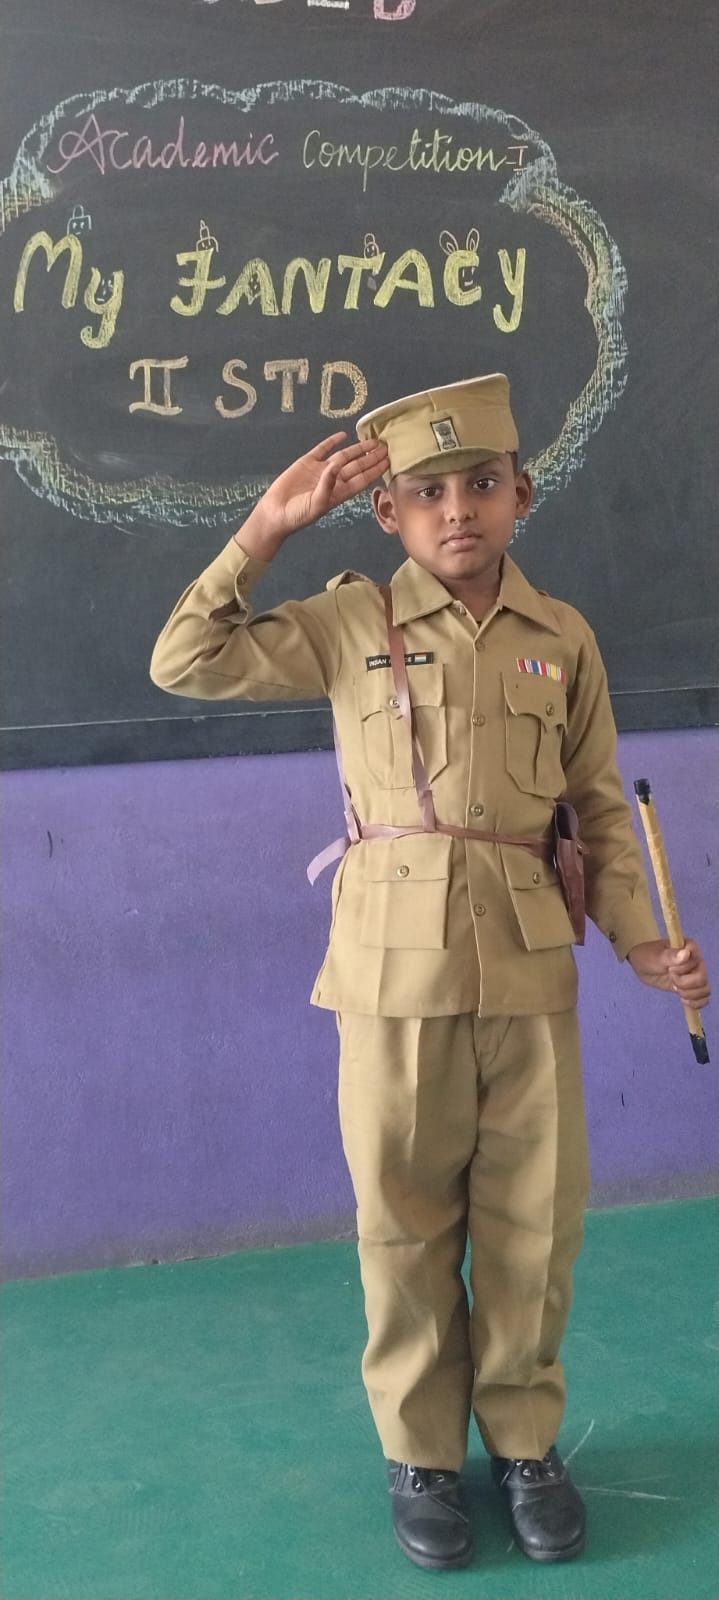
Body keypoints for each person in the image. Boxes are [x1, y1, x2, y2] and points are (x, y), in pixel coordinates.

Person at [150, 374, 710, 1571]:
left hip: (528, 970)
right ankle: (420, 1457)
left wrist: (638, 940)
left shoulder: (561, 639)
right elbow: (184, 659)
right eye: (427, 492)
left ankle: (524, 1445)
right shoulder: (347, 623)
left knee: (532, 1222)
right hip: (389, 976)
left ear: (520, 495)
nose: (456, 509)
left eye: (480, 485)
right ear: (388, 513)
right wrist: (266, 529)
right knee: (401, 1226)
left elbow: (597, 811)